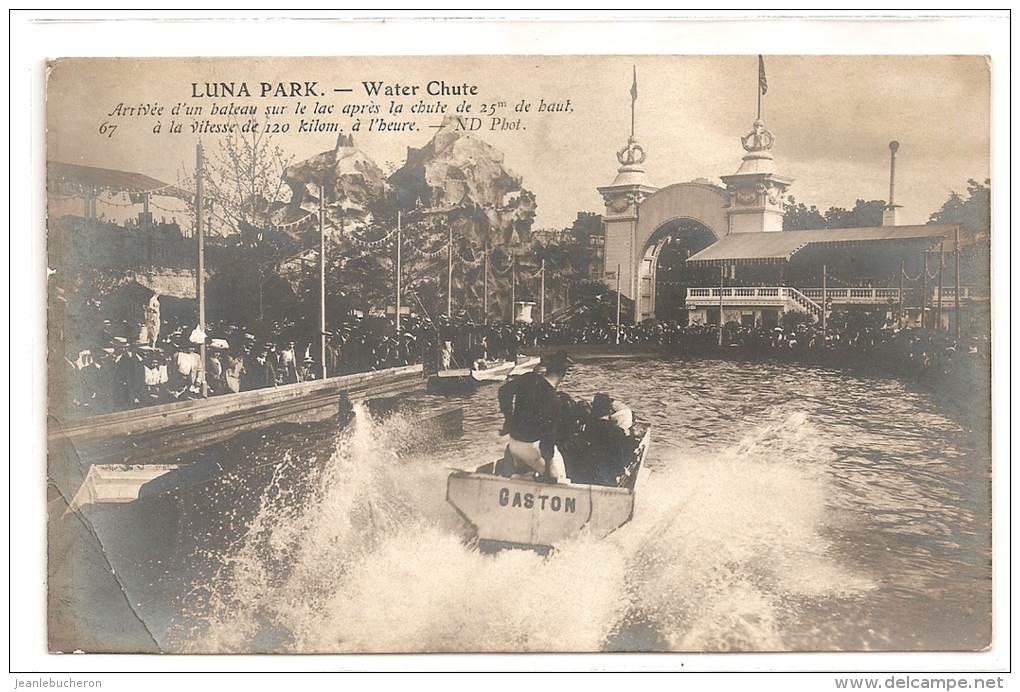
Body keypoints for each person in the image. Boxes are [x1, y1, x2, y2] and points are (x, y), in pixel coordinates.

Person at [497, 349, 571, 484]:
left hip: (513, 444)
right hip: (531, 448)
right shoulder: (553, 399)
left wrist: (509, 417)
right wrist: (550, 468)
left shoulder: (529, 378)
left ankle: (522, 476)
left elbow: (503, 391)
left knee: (529, 470)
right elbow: (548, 437)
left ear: (547, 369)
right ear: (563, 374)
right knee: (558, 477)